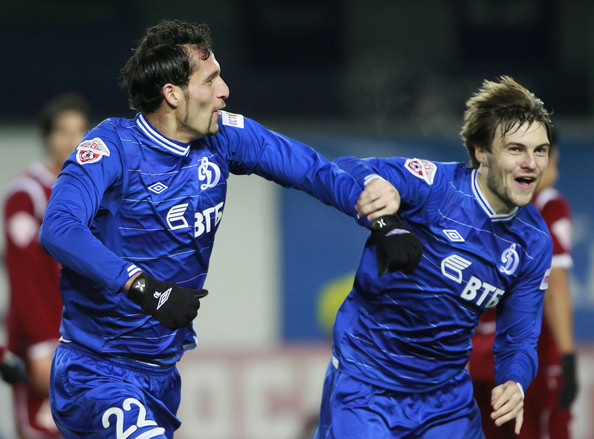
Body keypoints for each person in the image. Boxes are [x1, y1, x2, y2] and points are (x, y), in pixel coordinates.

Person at [38, 20, 403, 439]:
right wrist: (142, 287)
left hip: (161, 377)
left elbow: (311, 170)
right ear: (172, 94)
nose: (224, 90)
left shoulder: (223, 137)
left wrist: (379, 216)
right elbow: (59, 227)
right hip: (95, 373)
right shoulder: (111, 147)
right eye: (210, 80)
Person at [313, 76, 554, 438]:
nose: (531, 163)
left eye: (540, 150)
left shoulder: (534, 241)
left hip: (445, 401)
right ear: (482, 152)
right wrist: (386, 218)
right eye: (516, 149)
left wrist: (514, 381)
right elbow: (349, 167)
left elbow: (519, 339)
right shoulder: (436, 187)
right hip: (367, 388)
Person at [469, 128, 578, 438]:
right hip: (530, 355)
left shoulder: (477, 203)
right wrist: (567, 356)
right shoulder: (548, 205)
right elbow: (555, 283)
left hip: (477, 353)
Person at [3, 93, 90, 438]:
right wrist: (41, 344)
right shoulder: (28, 194)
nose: (72, 140)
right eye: (63, 131)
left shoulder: (92, 192)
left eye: (80, 131)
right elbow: (24, 278)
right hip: (45, 340)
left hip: (87, 340)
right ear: (46, 137)